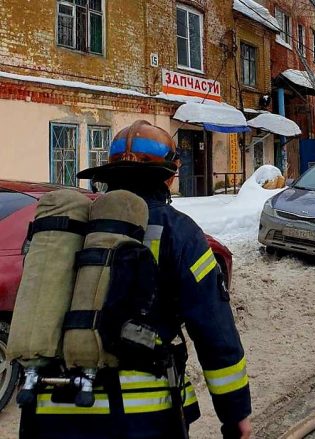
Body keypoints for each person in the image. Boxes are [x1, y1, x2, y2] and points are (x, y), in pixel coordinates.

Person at [20, 120, 252, 439]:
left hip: (46, 410)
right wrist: (235, 412)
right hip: (139, 418)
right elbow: (214, 330)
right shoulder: (177, 231)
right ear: (170, 176)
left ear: (107, 174)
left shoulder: (65, 227)